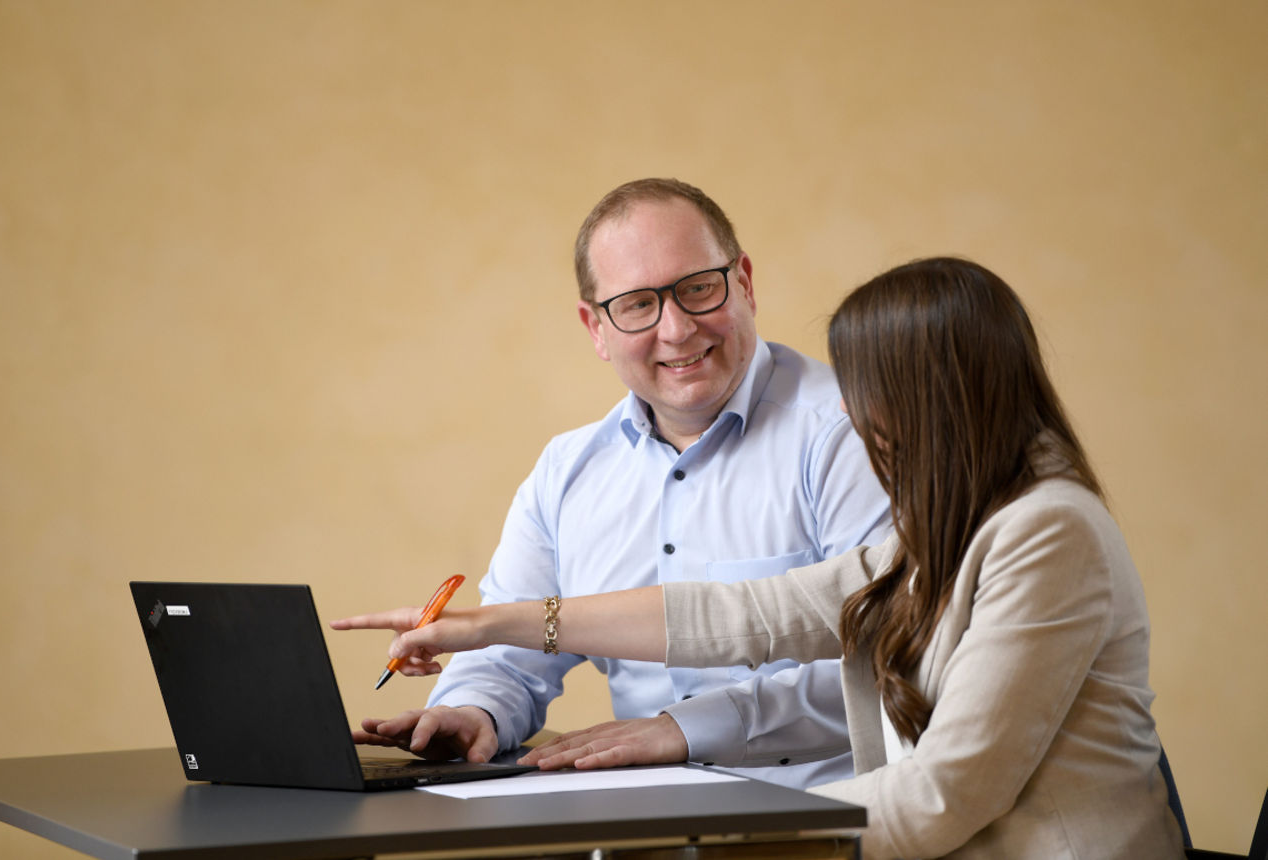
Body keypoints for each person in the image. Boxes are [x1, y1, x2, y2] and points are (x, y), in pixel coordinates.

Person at [343, 257, 1186, 859]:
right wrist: (494, 624)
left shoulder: (1048, 531)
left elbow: (942, 794)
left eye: (866, 389)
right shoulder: (952, 528)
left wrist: (716, 835)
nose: (852, 413)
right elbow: (749, 613)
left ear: (928, 397)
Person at [333, 178, 891, 789]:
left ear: (745, 283)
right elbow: (511, 651)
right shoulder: (566, 471)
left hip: (831, 823)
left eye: (698, 289)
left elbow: (890, 662)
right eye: (636, 305)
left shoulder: (851, 431)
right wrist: (472, 710)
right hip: (641, 822)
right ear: (595, 328)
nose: (676, 329)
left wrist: (684, 729)